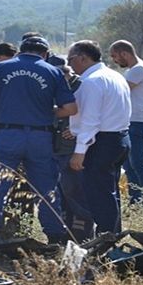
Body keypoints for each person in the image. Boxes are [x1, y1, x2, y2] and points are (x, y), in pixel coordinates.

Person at [0, 36, 77, 263]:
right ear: (44, 54)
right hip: (40, 137)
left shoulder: (2, 68)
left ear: (21, 52)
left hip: (7, 136)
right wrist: (47, 112)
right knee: (46, 191)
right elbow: (71, 108)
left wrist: (3, 108)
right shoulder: (53, 71)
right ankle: (56, 243)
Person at [68, 40, 131, 235]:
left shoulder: (92, 81)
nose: (69, 65)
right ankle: (113, 235)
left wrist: (79, 152)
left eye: (71, 60)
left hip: (102, 142)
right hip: (120, 139)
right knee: (110, 192)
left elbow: (90, 121)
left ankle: (106, 241)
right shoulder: (114, 76)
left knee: (99, 195)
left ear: (83, 58)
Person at [109, 40, 143, 205]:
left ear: (124, 53)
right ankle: (136, 200)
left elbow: (119, 92)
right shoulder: (134, 70)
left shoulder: (138, 70)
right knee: (129, 165)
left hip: (136, 121)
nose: (114, 60)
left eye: (115, 56)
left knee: (138, 163)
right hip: (130, 121)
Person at [53, 65, 94, 242]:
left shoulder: (82, 87)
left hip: (74, 148)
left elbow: (90, 116)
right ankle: (67, 228)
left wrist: (76, 130)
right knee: (63, 191)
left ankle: (83, 230)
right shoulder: (57, 87)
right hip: (58, 147)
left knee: (76, 190)